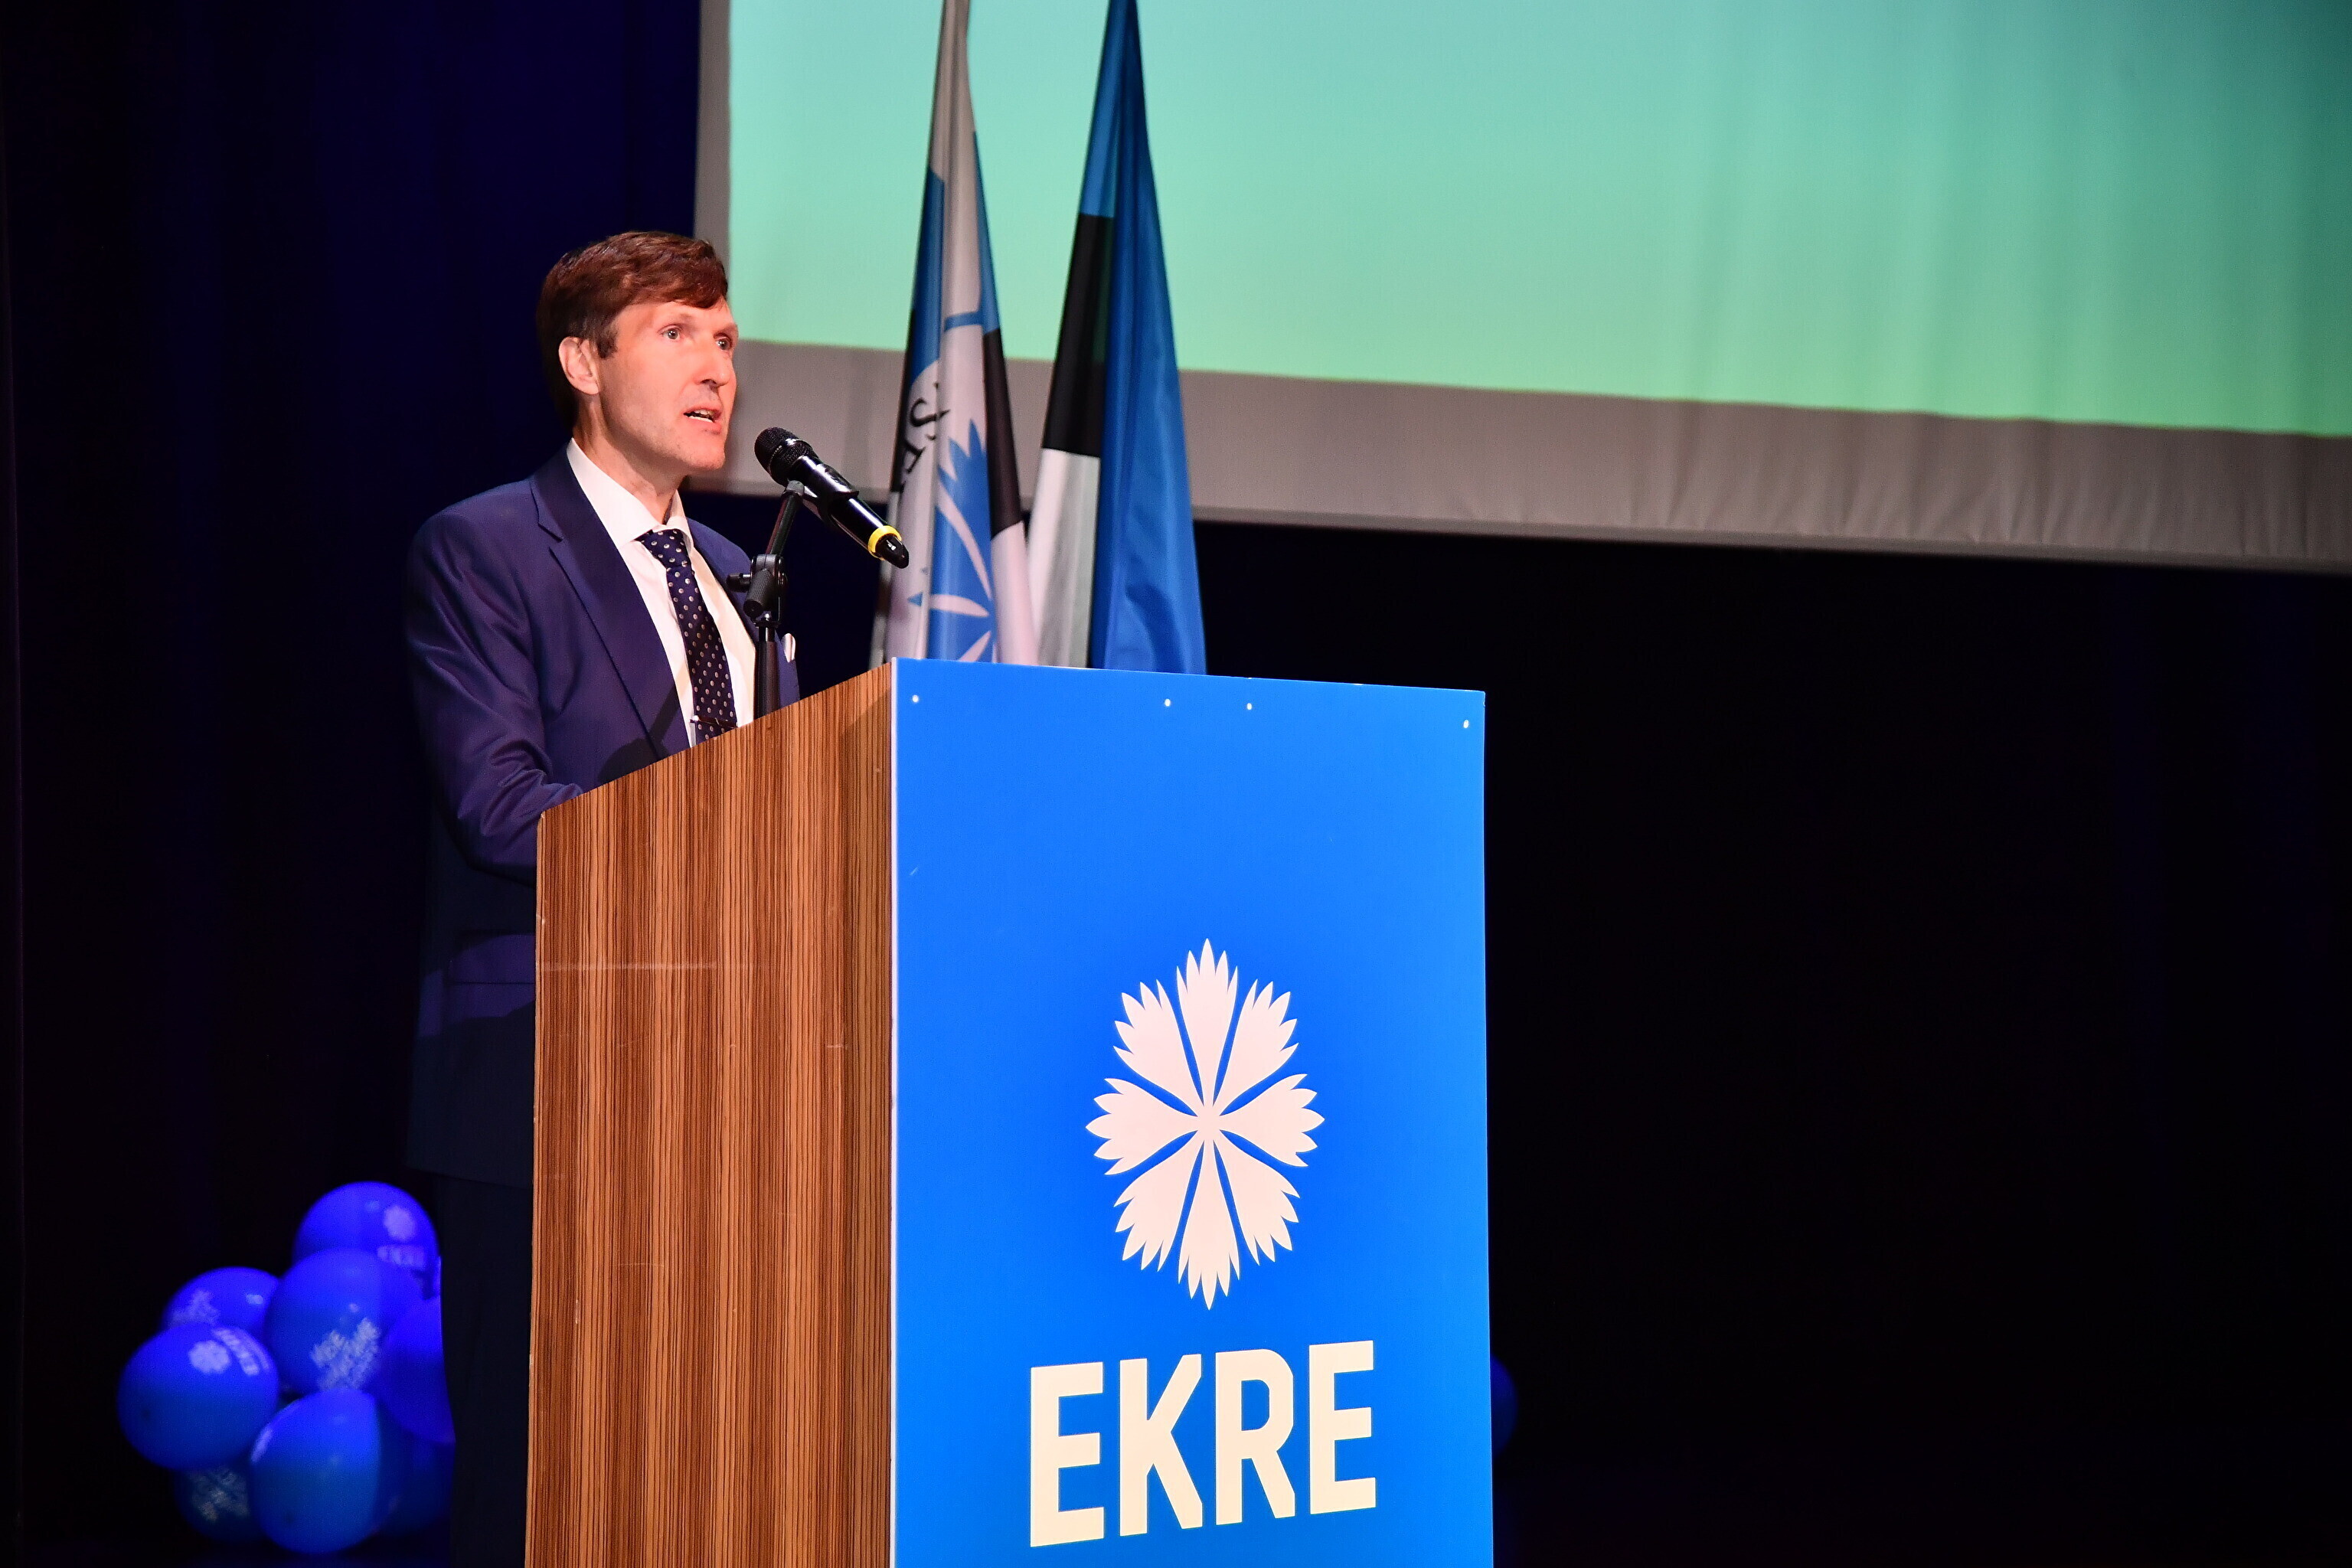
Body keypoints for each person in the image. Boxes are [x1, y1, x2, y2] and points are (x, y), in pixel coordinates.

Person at [402, 230, 795, 1564]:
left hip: (735, 1095)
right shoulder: (486, 549)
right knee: (541, 1483)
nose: (717, 369)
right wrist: (716, 840)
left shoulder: (744, 580)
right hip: (547, 1082)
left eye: (725, 340)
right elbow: (499, 807)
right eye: (677, 335)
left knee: (703, 1469)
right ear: (583, 364)